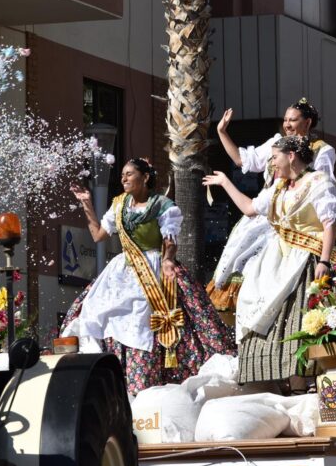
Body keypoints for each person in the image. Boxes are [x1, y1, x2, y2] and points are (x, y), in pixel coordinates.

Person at [61, 158, 235, 395]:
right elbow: (99, 235)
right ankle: (117, 377)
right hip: (123, 270)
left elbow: (169, 240)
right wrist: (87, 204)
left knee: (149, 318)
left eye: (129, 174)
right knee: (101, 314)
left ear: (145, 178)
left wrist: (167, 260)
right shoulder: (119, 205)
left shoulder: (163, 205)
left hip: (154, 266)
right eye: (122, 174)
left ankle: (154, 379)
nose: (123, 178)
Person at [203, 135, 336, 383]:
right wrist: (225, 182)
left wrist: (324, 261)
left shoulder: (319, 183)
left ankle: (305, 379)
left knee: (301, 318)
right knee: (254, 300)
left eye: (275, 157)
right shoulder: (278, 188)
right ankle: (271, 376)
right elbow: (249, 208)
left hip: (308, 260)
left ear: (291, 157)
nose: (272, 163)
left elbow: (329, 225)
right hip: (278, 258)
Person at [206, 98, 336, 322]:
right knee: (244, 265)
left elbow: (324, 194)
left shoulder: (321, 153)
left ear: (308, 122)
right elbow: (241, 160)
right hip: (266, 213)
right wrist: (222, 132)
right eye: (285, 119)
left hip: (300, 220)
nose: (287, 124)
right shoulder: (277, 145)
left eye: (293, 120)